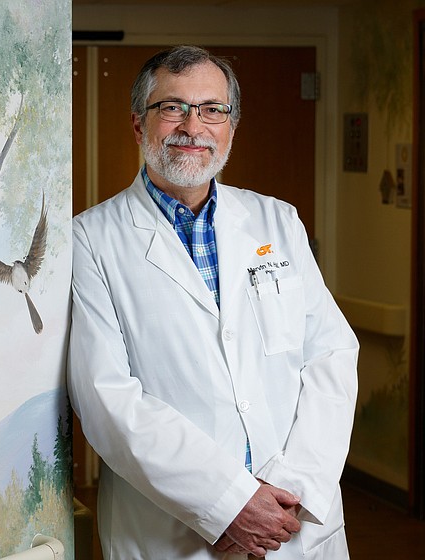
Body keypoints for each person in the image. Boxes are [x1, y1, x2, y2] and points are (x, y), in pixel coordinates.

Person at [68, 45, 359, 559]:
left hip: (295, 521)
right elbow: (107, 399)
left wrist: (293, 489)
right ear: (140, 126)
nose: (192, 126)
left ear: (231, 126)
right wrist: (229, 503)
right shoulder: (91, 240)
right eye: (172, 107)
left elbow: (331, 355)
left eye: (211, 109)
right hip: (174, 532)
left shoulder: (278, 222)